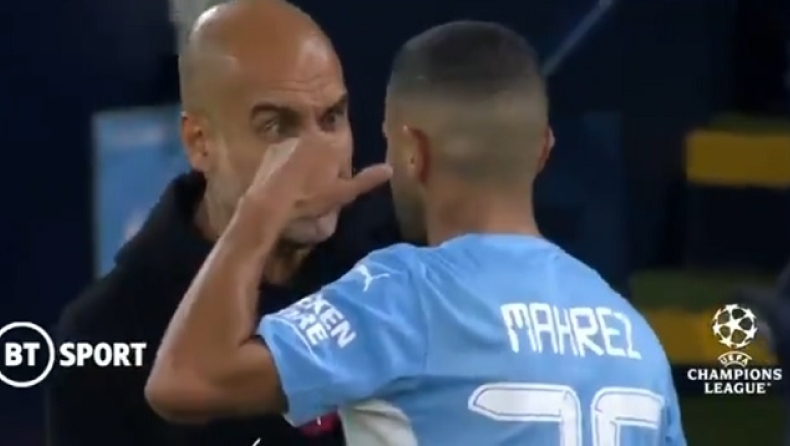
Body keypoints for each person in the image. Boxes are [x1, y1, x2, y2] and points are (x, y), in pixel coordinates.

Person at [145, 21, 687, 445]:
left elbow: (185, 381)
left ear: (412, 151)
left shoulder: (403, 296)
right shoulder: (633, 333)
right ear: (543, 150)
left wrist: (260, 211)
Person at [45, 1, 401, 445]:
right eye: (277, 127)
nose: (320, 160)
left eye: (332, 118)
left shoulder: (405, 255)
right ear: (200, 143)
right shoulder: (107, 334)